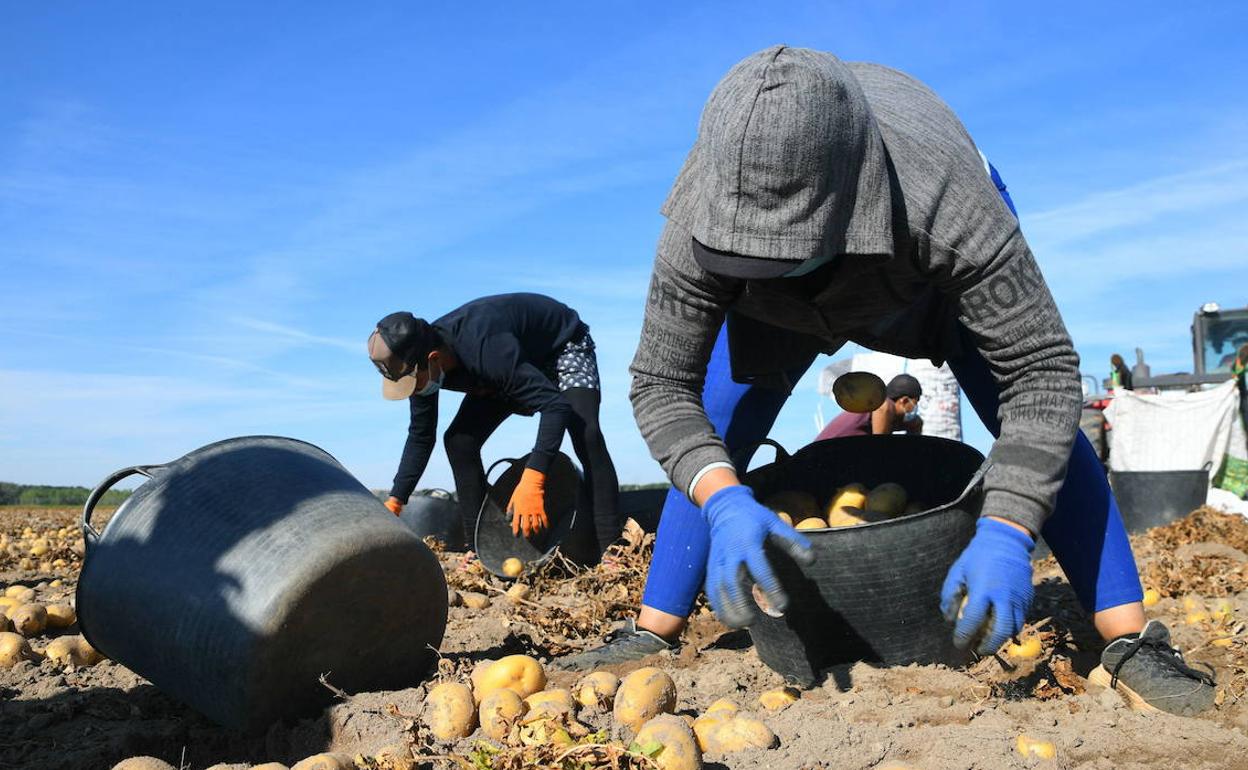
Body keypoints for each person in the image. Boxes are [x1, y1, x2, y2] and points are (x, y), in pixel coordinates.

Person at [558, 46, 1214, 716]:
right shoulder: (697, 217)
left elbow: (1040, 378)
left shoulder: (949, 204)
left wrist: (1010, 527)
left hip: (915, 278)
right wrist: (722, 497)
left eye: (779, 248)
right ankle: (650, 630)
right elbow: (662, 386)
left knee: (1029, 423)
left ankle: (1131, 641)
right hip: (772, 308)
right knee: (715, 432)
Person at [367, 293, 621, 558]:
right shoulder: (422, 369)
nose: (414, 390)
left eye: (413, 382)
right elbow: (421, 437)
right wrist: (396, 501)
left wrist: (533, 479)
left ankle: (612, 551)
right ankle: (479, 550)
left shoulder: (484, 347)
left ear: (433, 359)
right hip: (512, 368)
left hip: (560, 346)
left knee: (586, 433)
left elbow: (555, 406)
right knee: (459, 441)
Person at [816, 373, 923, 440]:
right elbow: (879, 451)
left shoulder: (885, 413)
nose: (915, 407)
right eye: (915, 402)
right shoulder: (884, 406)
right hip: (821, 457)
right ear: (904, 401)